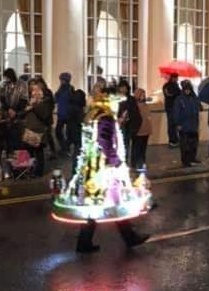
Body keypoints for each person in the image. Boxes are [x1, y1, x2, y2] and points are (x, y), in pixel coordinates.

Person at [53, 85, 150, 253]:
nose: (117, 105)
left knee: (98, 204)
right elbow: (103, 141)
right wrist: (116, 161)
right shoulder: (105, 117)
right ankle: (129, 237)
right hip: (103, 169)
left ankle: (87, 242)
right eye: (116, 101)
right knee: (114, 202)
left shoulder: (92, 114)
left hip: (91, 166)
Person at [22, 81, 53, 176]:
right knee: (29, 151)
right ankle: (29, 170)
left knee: (38, 152)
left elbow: (44, 115)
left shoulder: (45, 102)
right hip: (29, 130)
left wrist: (34, 106)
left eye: (36, 90)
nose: (34, 92)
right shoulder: (31, 101)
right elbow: (24, 114)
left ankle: (38, 172)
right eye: (32, 90)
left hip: (39, 131)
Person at [173, 79, 202, 167]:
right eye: (186, 89)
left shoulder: (194, 98)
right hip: (184, 125)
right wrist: (177, 123)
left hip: (193, 124)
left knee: (193, 144)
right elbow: (176, 112)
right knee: (185, 145)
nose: (187, 91)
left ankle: (192, 158)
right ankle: (186, 161)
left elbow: (198, 107)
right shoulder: (179, 99)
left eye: (189, 89)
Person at [117, 80, 141, 167]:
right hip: (118, 124)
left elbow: (135, 113)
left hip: (128, 125)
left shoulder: (131, 99)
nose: (123, 89)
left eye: (124, 87)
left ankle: (126, 162)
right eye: (121, 87)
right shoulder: (116, 98)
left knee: (126, 144)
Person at [54, 72, 74, 155]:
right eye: (61, 80)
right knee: (58, 131)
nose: (61, 82)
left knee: (68, 132)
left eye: (62, 80)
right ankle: (64, 147)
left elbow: (71, 101)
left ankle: (66, 147)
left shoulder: (70, 89)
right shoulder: (61, 89)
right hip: (61, 113)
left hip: (68, 114)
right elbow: (56, 99)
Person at [133, 88, 152, 169]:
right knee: (137, 148)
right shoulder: (135, 106)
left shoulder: (145, 105)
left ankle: (142, 162)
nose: (143, 96)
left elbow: (148, 117)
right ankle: (136, 163)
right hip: (138, 131)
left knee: (143, 149)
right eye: (142, 95)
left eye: (144, 95)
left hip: (146, 130)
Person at [66, 87, 86, 164]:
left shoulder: (71, 107)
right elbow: (80, 121)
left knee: (76, 152)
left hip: (72, 132)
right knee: (78, 153)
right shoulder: (78, 109)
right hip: (77, 133)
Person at [162, 72, 181, 147]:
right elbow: (169, 95)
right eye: (176, 78)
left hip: (173, 106)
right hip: (171, 107)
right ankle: (172, 140)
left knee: (173, 124)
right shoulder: (168, 86)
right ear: (173, 78)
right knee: (171, 124)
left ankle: (174, 140)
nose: (177, 79)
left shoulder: (174, 85)